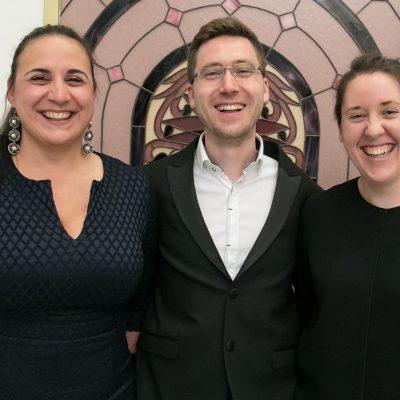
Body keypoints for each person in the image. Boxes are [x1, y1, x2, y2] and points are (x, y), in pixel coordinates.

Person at [136, 17, 319, 400]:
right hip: (171, 387)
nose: (229, 85)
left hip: (272, 389)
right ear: (190, 93)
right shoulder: (151, 184)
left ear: (265, 88)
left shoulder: (304, 195)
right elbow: (135, 293)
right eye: (212, 73)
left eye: (243, 70)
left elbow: (312, 304)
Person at [0, 25, 156, 399]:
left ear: (93, 94)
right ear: (11, 91)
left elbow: (139, 308)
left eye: (74, 79)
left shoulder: (133, 187)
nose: (59, 94)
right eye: (39, 78)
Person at [295, 55, 400, 400]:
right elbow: (303, 316)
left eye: (389, 112)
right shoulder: (317, 213)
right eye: (356, 115)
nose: (373, 129)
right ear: (340, 130)